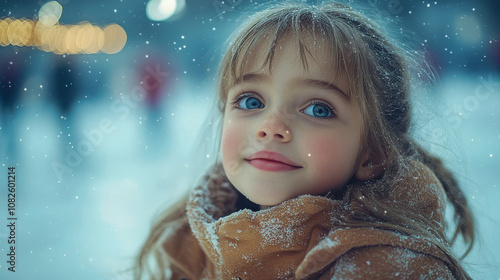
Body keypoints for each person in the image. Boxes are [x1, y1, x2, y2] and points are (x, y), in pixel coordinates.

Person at [135, 2, 475, 279]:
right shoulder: (187, 247)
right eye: (251, 101)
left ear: (372, 153)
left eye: (317, 108)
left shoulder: (394, 269)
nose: (270, 127)